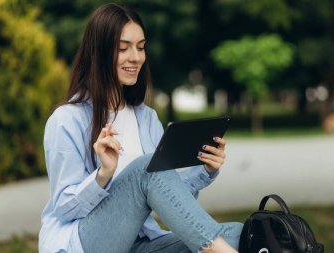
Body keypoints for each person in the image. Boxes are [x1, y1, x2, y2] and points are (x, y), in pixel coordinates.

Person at [39, 3, 243, 253]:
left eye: (141, 47)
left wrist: (205, 170)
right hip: (84, 243)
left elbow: (170, 200)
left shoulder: (147, 119)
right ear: (99, 53)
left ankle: (218, 247)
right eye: (123, 48)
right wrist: (103, 174)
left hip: (140, 244)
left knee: (238, 233)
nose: (135, 57)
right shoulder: (66, 120)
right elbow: (64, 207)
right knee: (147, 169)